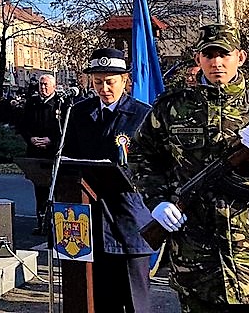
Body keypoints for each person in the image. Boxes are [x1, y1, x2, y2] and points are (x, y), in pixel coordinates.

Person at [130, 24, 249, 313]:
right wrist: (157, 201)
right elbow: (141, 156)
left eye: (224, 54)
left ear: (240, 57)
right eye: (209, 55)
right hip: (197, 259)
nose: (216, 62)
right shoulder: (172, 108)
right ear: (198, 59)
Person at [59, 49, 154, 313]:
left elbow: (155, 166)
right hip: (89, 218)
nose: (104, 88)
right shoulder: (79, 113)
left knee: (135, 301)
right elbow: (67, 159)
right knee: (99, 299)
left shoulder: (143, 115)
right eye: (98, 82)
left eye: (110, 82)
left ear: (125, 81)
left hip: (129, 218)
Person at [18, 73, 68, 234]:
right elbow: (22, 125)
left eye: (46, 84)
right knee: (39, 189)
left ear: (54, 86)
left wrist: (51, 140)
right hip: (35, 152)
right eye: (41, 84)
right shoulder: (32, 103)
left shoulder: (61, 104)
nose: (43, 87)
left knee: (56, 189)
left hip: (53, 153)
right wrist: (30, 138)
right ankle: (42, 223)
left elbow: (66, 128)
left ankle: (56, 223)